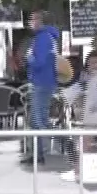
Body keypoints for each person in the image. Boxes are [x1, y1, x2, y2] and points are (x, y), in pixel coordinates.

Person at [25, 9, 62, 163]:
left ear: (40, 21)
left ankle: (48, 154)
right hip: (45, 82)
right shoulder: (48, 37)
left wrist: (29, 58)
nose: (30, 23)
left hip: (41, 83)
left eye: (33, 20)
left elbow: (39, 62)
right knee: (36, 120)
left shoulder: (42, 38)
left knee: (39, 121)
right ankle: (37, 154)